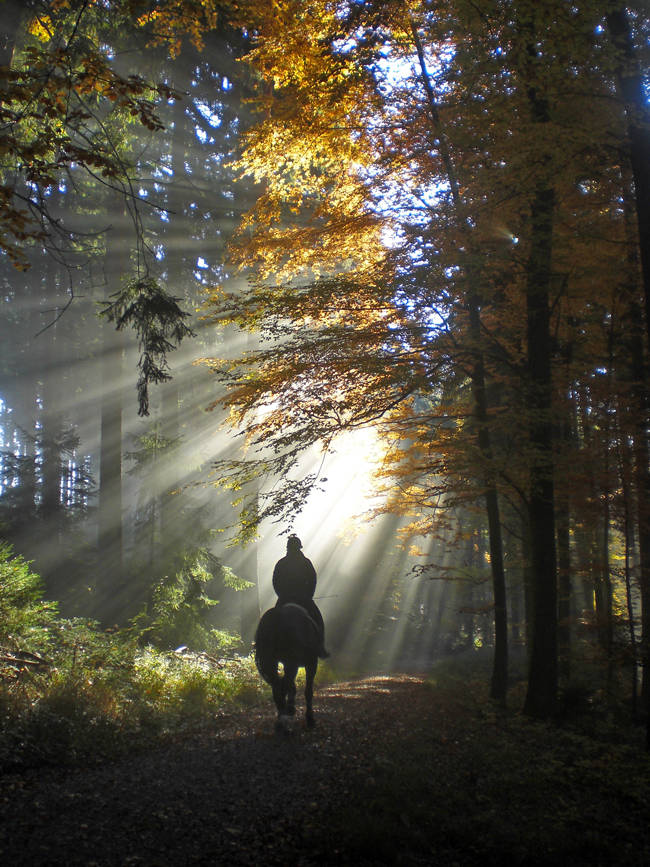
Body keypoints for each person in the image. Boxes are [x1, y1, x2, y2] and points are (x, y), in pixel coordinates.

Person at [272, 534, 330, 659]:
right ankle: (320, 647)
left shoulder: (281, 563)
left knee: (272, 620)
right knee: (317, 619)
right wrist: (308, 596)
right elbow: (312, 580)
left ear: (288, 548)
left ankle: (268, 647)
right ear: (299, 547)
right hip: (303, 597)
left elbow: (275, 582)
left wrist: (282, 595)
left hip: (284, 598)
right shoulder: (306, 563)